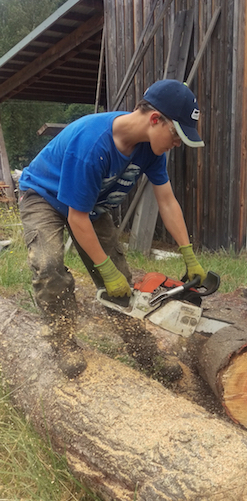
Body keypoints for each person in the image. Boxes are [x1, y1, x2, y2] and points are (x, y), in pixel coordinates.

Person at [18, 79, 207, 379]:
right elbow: (75, 218)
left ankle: (146, 355)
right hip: (44, 197)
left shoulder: (150, 150)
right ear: (155, 119)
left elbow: (167, 202)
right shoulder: (93, 144)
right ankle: (63, 341)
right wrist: (103, 268)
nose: (177, 143)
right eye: (176, 135)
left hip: (89, 205)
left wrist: (188, 255)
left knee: (121, 279)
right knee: (48, 264)